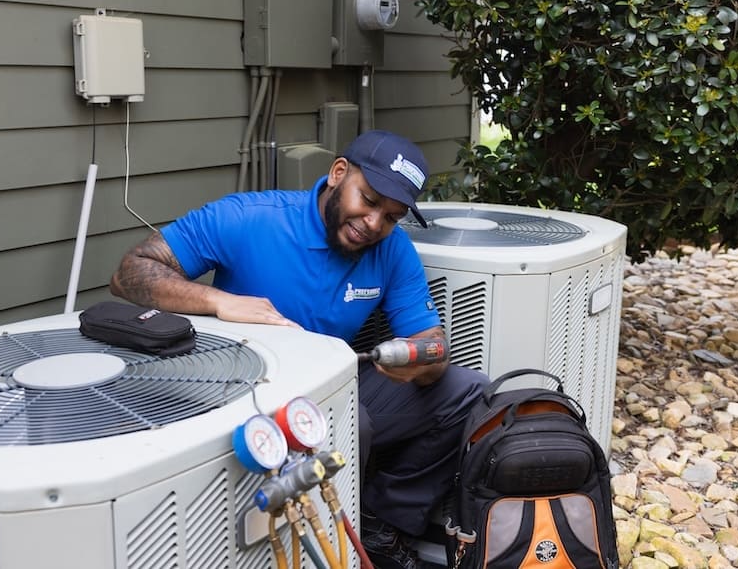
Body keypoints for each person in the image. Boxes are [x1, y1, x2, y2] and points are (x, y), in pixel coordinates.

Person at [110, 129, 488, 569]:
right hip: (242, 392)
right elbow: (130, 272)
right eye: (367, 200)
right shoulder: (250, 219)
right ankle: (314, 543)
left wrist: (423, 360)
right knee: (352, 424)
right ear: (338, 174)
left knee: (467, 390)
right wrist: (219, 301)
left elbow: (430, 345)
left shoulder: (392, 250)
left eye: (391, 216)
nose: (373, 224)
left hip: (333, 384)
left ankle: (381, 522)